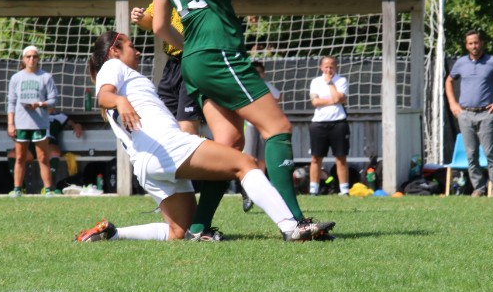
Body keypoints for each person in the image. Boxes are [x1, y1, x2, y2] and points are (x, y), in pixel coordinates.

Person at [150, 0, 327, 231]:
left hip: (194, 61)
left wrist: (191, 49)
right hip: (219, 53)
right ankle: (295, 221)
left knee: (229, 145)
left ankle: (200, 228)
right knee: (278, 128)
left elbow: (159, 26)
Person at [75, 31, 334, 243]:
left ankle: (114, 234)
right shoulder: (112, 66)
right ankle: (291, 227)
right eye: (132, 46)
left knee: (179, 232)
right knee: (245, 164)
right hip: (164, 147)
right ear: (114, 51)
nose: (139, 51)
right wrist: (120, 101)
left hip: (146, 164)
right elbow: (104, 96)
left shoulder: (124, 74)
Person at [130, 0, 202, 135]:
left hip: (192, 59)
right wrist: (139, 17)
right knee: (165, 125)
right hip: (173, 64)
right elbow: (152, 21)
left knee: (187, 129)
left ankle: (209, 160)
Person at [444, 30, 493, 197]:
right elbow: (449, 81)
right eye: (470, 43)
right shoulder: (460, 63)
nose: (473, 46)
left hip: (485, 114)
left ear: (481, 43)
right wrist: (453, 104)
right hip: (465, 114)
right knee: (471, 153)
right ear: (466, 45)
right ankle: (479, 188)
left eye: (476, 42)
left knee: (489, 152)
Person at [6, 45, 58, 197]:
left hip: (39, 123)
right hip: (21, 123)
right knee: (20, 157)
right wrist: (11, 123)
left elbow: (53, 99)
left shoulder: (45, 77)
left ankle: (48, 189)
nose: (31, 59)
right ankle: (17, 189)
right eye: (28, 56)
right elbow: (11, 102)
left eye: (34, 56)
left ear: (38, 59)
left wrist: (39, 104)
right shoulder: (16, 78)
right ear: (23, 59)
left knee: (42, 157)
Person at [6, 108, 84, 191]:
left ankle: (47, 189)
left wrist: (77, 126)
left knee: (54, 152)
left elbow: (73, 124)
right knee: (13, 155)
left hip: (49, 142)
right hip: (32, 143)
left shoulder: (59, 116)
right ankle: (21, 188)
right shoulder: (32, 115)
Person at [240, 60, 281, 211]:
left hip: (264, 126)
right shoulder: (245, 86)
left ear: (263, 74)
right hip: (249, 125)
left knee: (262, 160)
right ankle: (247, 192)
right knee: (249, 158)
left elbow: (277, 97)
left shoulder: (267, 87)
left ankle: (261, 190)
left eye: (259, 72)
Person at [308, 56, 350, 196]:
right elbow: (315, 102)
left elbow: (339, 98)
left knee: (341, 157)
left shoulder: (341, 80)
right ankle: (313, 189)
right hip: (319, 123)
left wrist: (330, 83)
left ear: (336, 67)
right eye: (326, 66)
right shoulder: (315, 82)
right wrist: (334, 100)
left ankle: (344, 190)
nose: (328, 69)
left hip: (338, 122)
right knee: (316, 157)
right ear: (321, 67)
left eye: (331, 66)